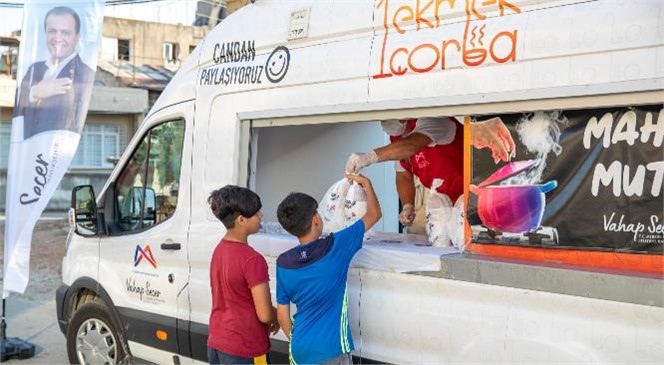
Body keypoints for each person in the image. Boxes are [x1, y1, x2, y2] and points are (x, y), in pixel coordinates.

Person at [275, 174, 381, 365]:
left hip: (299, 349)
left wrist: (299, 340)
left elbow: (282, 315)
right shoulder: (336, 246)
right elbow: (374, 214)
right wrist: (367, 183)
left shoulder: (283, 263)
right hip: (331, 350)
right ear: (316, 219)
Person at [345, 116, 515, 228]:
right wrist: (408, 204)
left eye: (390, 117)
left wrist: (369, 157)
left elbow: (411, 146)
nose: (385, 123)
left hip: (473, 199)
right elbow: (403, 174)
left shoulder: (434, 121)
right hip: (443, 203)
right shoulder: (397, 140)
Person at [207, 185, 280, 365]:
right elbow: (264, 314)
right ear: (241, 220)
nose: (261, 216)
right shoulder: (252, 260)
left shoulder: (219, 250)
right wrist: (277, 316)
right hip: (246, 348)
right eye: (256, 213)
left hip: (217, 342)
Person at [14, 6, 94, 140]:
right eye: (52, 31)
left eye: (65, 32)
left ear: (77, 37)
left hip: (57, 154)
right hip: (29, 151)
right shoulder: (35, 68)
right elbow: (17, 101)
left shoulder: (85, 73)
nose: (57, 38)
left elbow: (75, 120)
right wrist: (35, 92)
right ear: (45, 33)